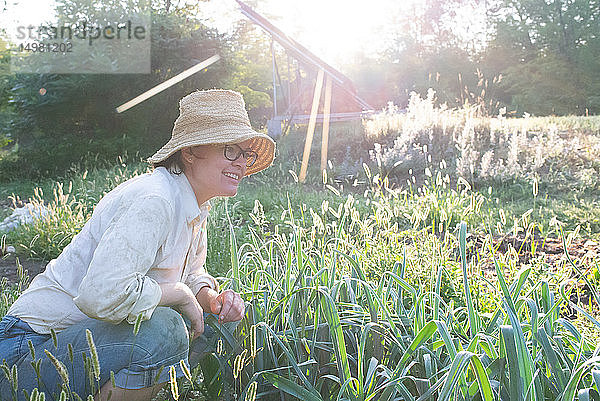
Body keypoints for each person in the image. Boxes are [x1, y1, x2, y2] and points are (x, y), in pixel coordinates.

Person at [0, 89, 275, 401]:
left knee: (213, 319)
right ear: (190, 151)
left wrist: (210, 298)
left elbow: (190, 272)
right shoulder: (154, 199)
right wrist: (181, 295)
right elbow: (100, 294)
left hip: (75, 345)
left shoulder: (195, 205)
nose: (241, 163)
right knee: (165, 328)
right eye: (230, 150)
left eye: (246, 154)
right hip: (25, 350)